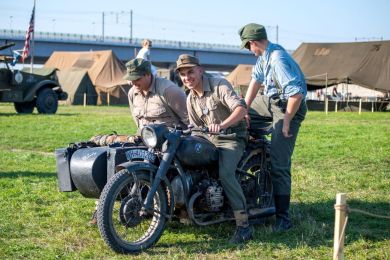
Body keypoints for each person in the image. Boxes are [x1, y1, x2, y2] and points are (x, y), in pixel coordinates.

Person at [89, 58, 189, 224]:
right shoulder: (132, 93)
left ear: (148, 74)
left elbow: (189, 122)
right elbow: (138, 123)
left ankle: (176, 206)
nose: (132, 82)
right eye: (130, 78)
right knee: (116, 158)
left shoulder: (169, 90)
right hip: (146, 141)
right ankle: (102, 208)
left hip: (170, 143)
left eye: (136, 78)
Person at [175, 54, 252, 244]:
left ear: (200, 70)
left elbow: (241, 109)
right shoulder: (190, 97)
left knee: (225, 174)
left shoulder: (219, 84)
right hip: (209, 138)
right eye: (183, 74)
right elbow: (194, 128)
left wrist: (223, 125)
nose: (187, 77)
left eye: (190, 71)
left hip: (231, 137)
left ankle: (244, 226)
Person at [238, 23, 307, 232]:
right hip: (271, 101)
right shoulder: (264, 56)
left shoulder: (278, 59)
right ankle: (251, 152)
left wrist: (286, 122)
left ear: (253, 43)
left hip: (289, 108)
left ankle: (283, 218)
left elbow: (296, 94)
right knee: (235, 112)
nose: (249, 51)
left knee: (279, 164)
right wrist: (245, 110)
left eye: (248, 46)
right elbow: (255, 82)